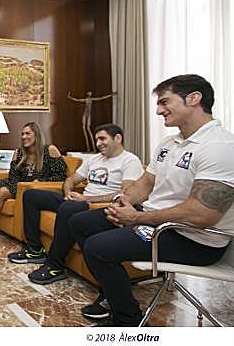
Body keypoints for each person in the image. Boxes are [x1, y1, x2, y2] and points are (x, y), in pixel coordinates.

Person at [68, 74, 234, 326]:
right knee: (79, 222)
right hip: (156, 220)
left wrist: (137, 217)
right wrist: (122, 204)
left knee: (97, 248)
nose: (158, 110)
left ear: (193, 99)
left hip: (194, 238)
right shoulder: (169, 143)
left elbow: (202, 214)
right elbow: (146, 183)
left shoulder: (219, 146)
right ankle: (112, 291)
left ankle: (128, 320)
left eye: (164, 102)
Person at [7, 123, 143, 289]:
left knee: (69, 209)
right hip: (80, 200)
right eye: (97, 140)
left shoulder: (130, 161)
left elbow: (124, 194)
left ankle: (55, 266)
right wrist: (68, 194)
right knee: (31, 195)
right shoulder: (95, 159)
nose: (98, 143)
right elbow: (70, 180)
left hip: (99, 206)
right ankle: (34, 250)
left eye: (102, 139)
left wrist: (86, 198)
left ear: (118, 138)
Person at [0, 122, 67, 231]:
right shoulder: (19, 152)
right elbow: (13, 175)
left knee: (2, 192)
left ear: (37, 135)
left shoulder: (50, 150)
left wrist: (41, 181)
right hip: (16, 183)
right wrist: (14, 185)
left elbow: (61, 176)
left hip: (32, 188)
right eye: (22, 134)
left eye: (28, 133)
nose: (24, 137)